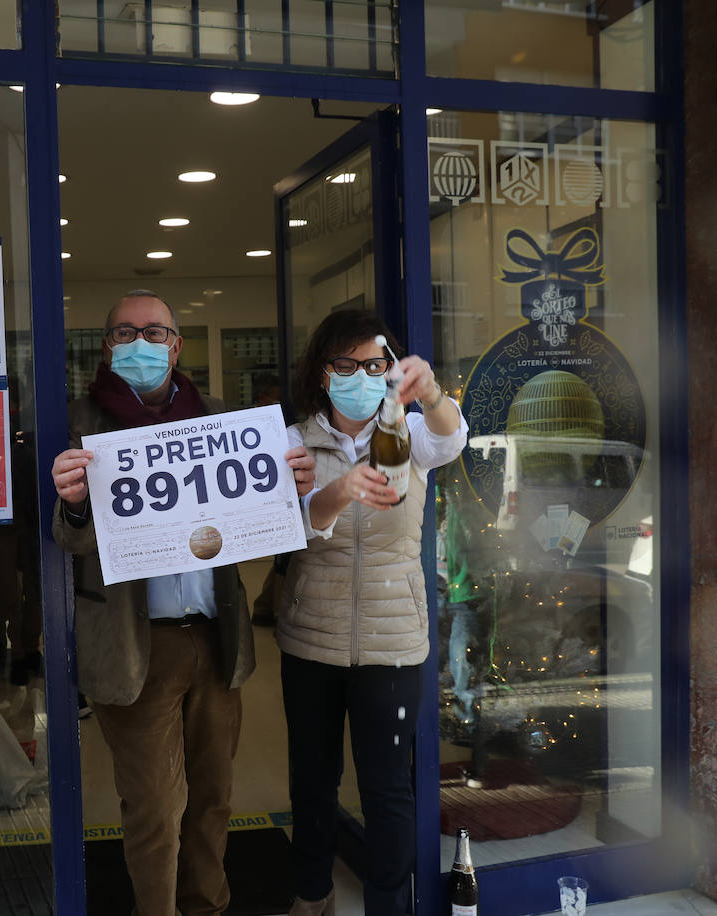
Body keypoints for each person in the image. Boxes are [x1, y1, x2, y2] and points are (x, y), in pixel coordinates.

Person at [50, 291, 315, 916]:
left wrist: (292, 490)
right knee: (153, 809)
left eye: (155, 332)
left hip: (216, 637)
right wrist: (76, 502)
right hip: (134, 643)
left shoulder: (224, 422)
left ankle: (207, 904)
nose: (140, 344)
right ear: (106, 344)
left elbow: (268, 520)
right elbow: (65, 539)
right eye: (124, 332)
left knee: (215, 797)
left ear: (175, 344)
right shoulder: (77, 424)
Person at [276, 310, 467, 916]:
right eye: (344, 364)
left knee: (387, 788)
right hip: (312, 637)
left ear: (390, 373)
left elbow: (453, 438)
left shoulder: (408, 433)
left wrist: (430, 390)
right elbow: (287, 531)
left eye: (374, 365)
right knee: (313, 781)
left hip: (393, 640)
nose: (360, 376)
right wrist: (340, 490)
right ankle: (313, 895)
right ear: (321, 372)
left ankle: (390, 904)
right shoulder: (290, 441)